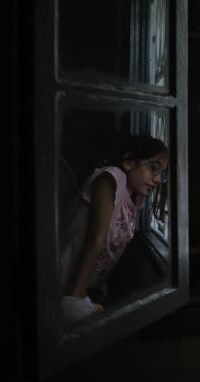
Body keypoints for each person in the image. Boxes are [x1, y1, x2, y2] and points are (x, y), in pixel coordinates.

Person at [59, 135, 169, 323]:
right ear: (128, 162)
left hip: (86, 291)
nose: (158, 179)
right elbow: (96, 238)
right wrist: (74, 298)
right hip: (64, 285)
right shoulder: (110, 178)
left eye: (162, 173)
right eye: (153, 168)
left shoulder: (133, 197)